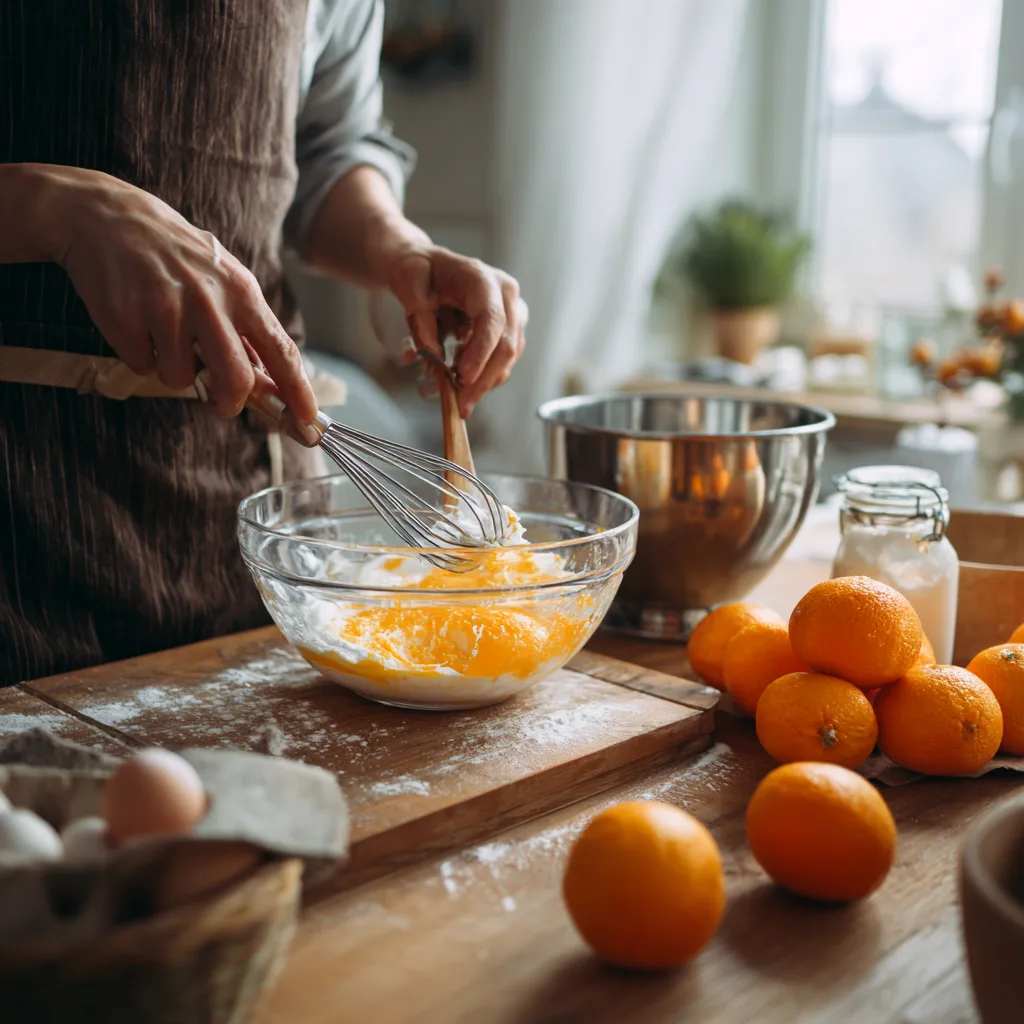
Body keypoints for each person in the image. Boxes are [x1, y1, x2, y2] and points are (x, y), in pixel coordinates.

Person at [0, 0, 525, 684]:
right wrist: (56, 207)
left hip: (244, 498)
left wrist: (396, 246)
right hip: (19, 501)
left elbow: (323, 149)